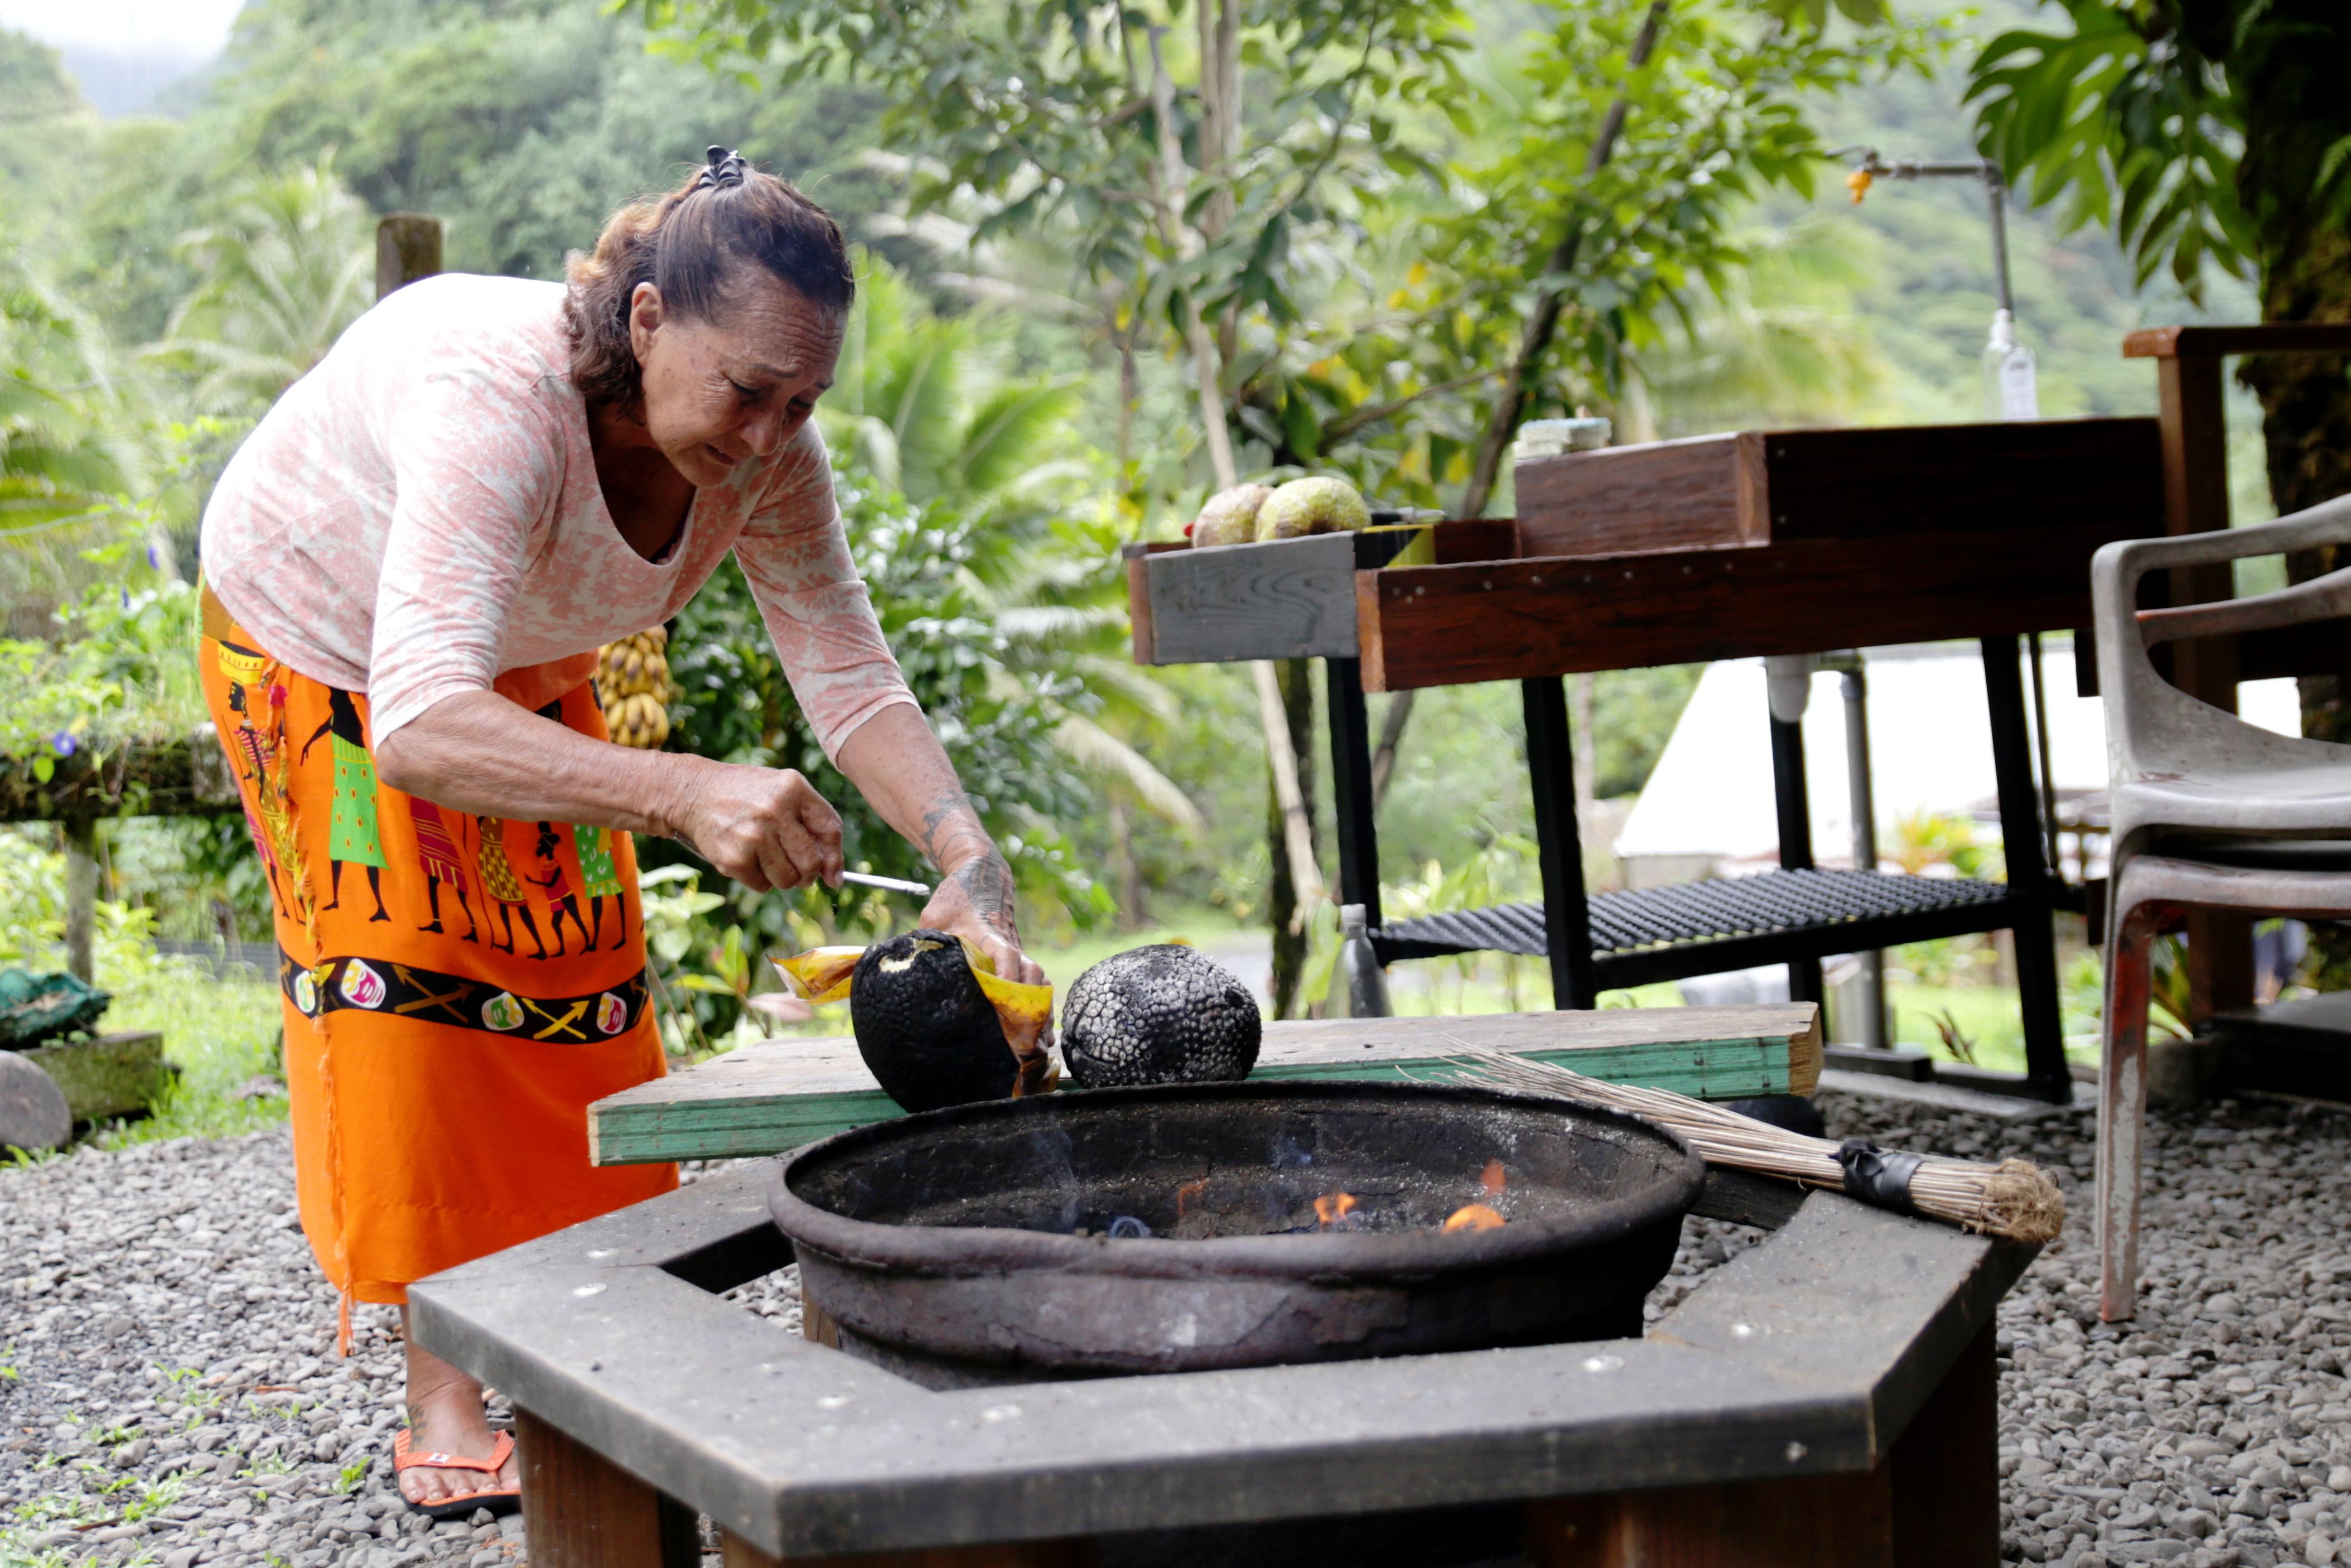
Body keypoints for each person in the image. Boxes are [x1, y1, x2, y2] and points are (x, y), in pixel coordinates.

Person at [195, 146, 1042, 1518]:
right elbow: (419, 720)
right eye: (748, 391)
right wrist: (680, 788)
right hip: (326, 636)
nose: (769, 435)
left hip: (503, 650)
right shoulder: (496, 401)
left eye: (804, 401)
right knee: (418, 980)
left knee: (574, 974)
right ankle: (444, 1391)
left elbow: (846, 668)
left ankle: (584, 1324)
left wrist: (967, 855)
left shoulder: (770, 454)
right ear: (646, 319)